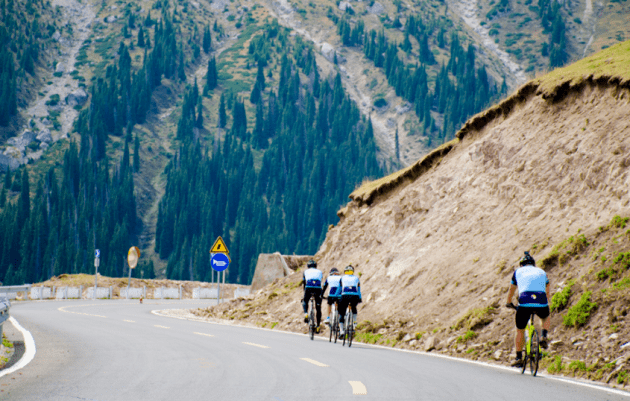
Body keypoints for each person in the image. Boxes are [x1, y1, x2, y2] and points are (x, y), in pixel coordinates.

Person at [506, 251, 551, 368]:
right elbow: (547, 287)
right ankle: (544, 336)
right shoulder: (542, 271)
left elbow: (512, 289)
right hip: (541, 299)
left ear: (522, 264)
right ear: (533, 264)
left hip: (525, 301)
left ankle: (518, 357)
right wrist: (546, 302)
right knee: (545, 316)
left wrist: (508, 302)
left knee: (520, 330)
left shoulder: (518, 272)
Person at [338, 265, 362, 337]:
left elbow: (339, 289)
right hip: (354, 296)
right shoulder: (357, 278)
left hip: (345, 295)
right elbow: (359, 290)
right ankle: (354, 322)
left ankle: (341, 331)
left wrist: (337, 296)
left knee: (341, 313)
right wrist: (360, 298)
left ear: (345, 272)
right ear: (352, 272)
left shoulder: (342, 278)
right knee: (354, 307)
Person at [301, 259, 323, 332]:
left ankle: (306, 313)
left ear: (308, 266)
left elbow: (304, 282)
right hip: (317, 288)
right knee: (318, 307)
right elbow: (320, 280)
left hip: (308, 287)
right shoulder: (320, 272)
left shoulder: (305, 271)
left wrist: (305, 292)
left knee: (305, 300)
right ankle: (318, 325)